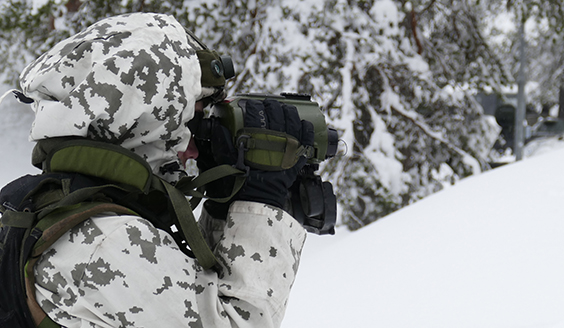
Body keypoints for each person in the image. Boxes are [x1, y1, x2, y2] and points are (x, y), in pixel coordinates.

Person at [8, 12, 312, 328]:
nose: (193, 148)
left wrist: (223, 209)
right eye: (189, 121)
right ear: (142, 121)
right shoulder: (103, 242)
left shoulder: (63, 210)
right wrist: (262, 202)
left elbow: (197, 293)